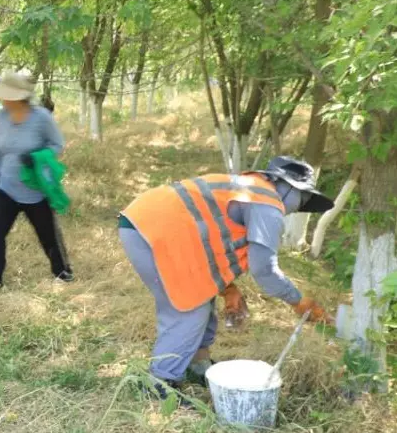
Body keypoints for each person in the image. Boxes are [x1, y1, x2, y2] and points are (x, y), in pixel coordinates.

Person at [118, 156, 335, 398]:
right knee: (188, 310)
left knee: (201, 296)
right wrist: (301, 302)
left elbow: (209, 240)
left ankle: (198, 366)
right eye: (303, 197)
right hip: (152, 230)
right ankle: (159, 386)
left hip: (147, 223)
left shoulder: (247, 188)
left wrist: (228, 288)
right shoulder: (267, 202)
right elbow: (264, 269)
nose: (299, 206)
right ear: (286, 185)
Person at [0, 72, 72, 287]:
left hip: (35, 188)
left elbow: (57, 145)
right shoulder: (3, 116)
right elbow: (0, 150)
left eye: (5, 96)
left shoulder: (41, 117)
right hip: (6, 186)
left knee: (48, 235)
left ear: (18, 97)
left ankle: (62, 272)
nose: (2, 100)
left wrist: (36, 156)